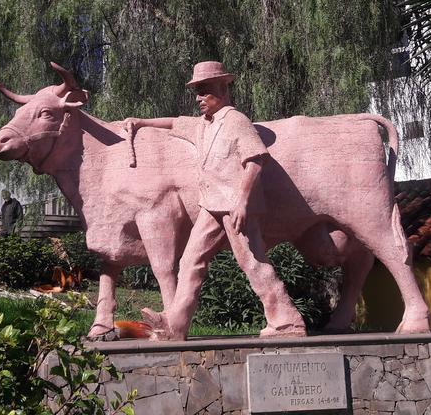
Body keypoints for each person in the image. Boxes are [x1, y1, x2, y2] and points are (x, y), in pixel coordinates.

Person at [124, 61, 306, 340]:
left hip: (234, 205)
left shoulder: (236, 121)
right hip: (211, 205)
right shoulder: (203, 125)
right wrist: (142, 122)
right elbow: (174, 122)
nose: (198, 98)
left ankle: (287, 321)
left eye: (204, 91)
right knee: (190, 260)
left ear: (222, 89)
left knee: (252, 261)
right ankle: (176, 323)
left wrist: (243, 202)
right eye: (196, 92)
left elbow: (256, 161)